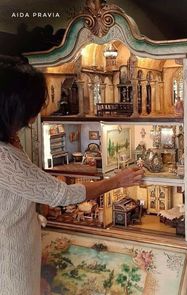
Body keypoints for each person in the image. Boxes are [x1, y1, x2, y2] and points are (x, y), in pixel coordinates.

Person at [0, 55, 144, 295]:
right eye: (31, 110)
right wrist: (118, 180)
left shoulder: (9, 145)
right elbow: (63, 193)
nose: (34, 118)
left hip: (20, 254)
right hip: (10, 261)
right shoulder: (4, 158)